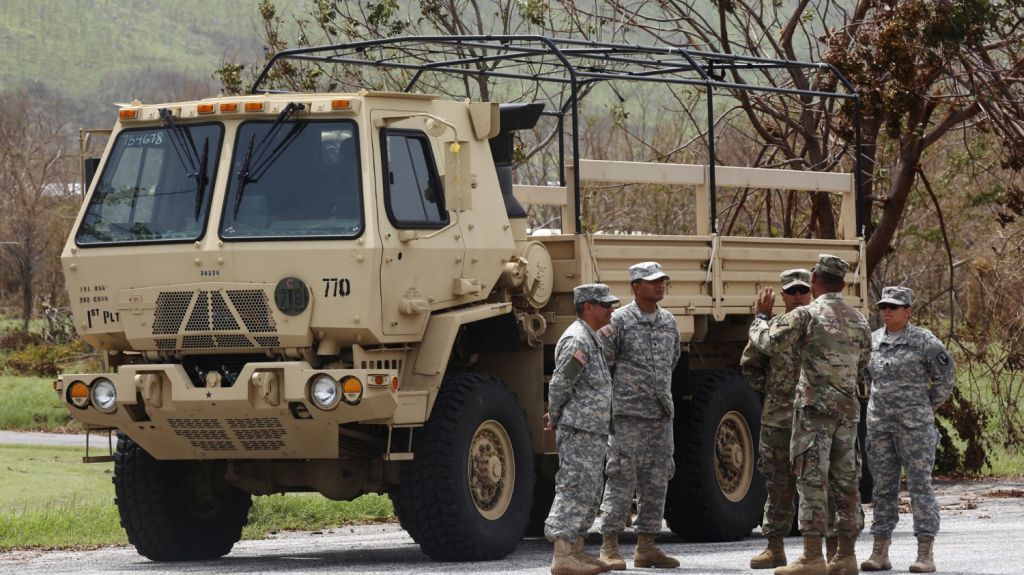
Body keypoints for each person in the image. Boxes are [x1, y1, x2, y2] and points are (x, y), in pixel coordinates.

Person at [749, 254, 872, 575]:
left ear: (815, 279)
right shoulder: (859, 320)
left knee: (811, 481)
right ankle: (845, 556)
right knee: (845, 482)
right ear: (843, 284)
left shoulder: (807, 315)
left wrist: (759, 318)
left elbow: (768, 343)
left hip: (813, 413)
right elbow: (862, 368)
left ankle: (812, 557)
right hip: (847, 414)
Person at [861, 286, 955, 574]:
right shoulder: (873, 341)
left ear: (908, 311)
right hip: (880, 428)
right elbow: (865, 376)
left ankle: (925, 553)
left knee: (919, 487)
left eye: (894, 306)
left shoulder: (924, 341)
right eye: (883, 306)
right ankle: (880, 552)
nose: (886, 310)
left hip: (914, 429)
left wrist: (924, 407)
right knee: (883, 489)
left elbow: (946, 377)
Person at [596, 262, 681, 570]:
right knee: (620, 478)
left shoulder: (669, 322)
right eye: (652, 282)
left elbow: (672, 360)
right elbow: (603, 364)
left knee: (657, 480)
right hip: (628, 416)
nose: (659, 286)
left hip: (660, 415)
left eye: (662, 281)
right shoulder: (618, 322)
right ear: (635, 287)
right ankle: (609, 545)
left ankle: (647, 546)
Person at [544, 283, 619, 575]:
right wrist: (555, 415)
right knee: (574, 487)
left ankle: (576, 550)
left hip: (592, 428)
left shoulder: (592, 338)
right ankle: (562, 555)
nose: (611, 309)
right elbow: (561, 382)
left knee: (589, 489)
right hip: (578, 428)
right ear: (588, 307)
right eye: (605, 304)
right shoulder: (577, 339)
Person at [742, 269, 813, 569]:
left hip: (811, 418)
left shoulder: (819, 326)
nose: (797, 296)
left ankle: (816, 551)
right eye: (791, 291)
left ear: (811, 293)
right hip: (778, 419)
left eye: (802, 291)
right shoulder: (770, 329)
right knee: (778, 483)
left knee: (815, 483)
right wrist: (775, 393)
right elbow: (750, 365)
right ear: (782, 296)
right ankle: (775, 547)